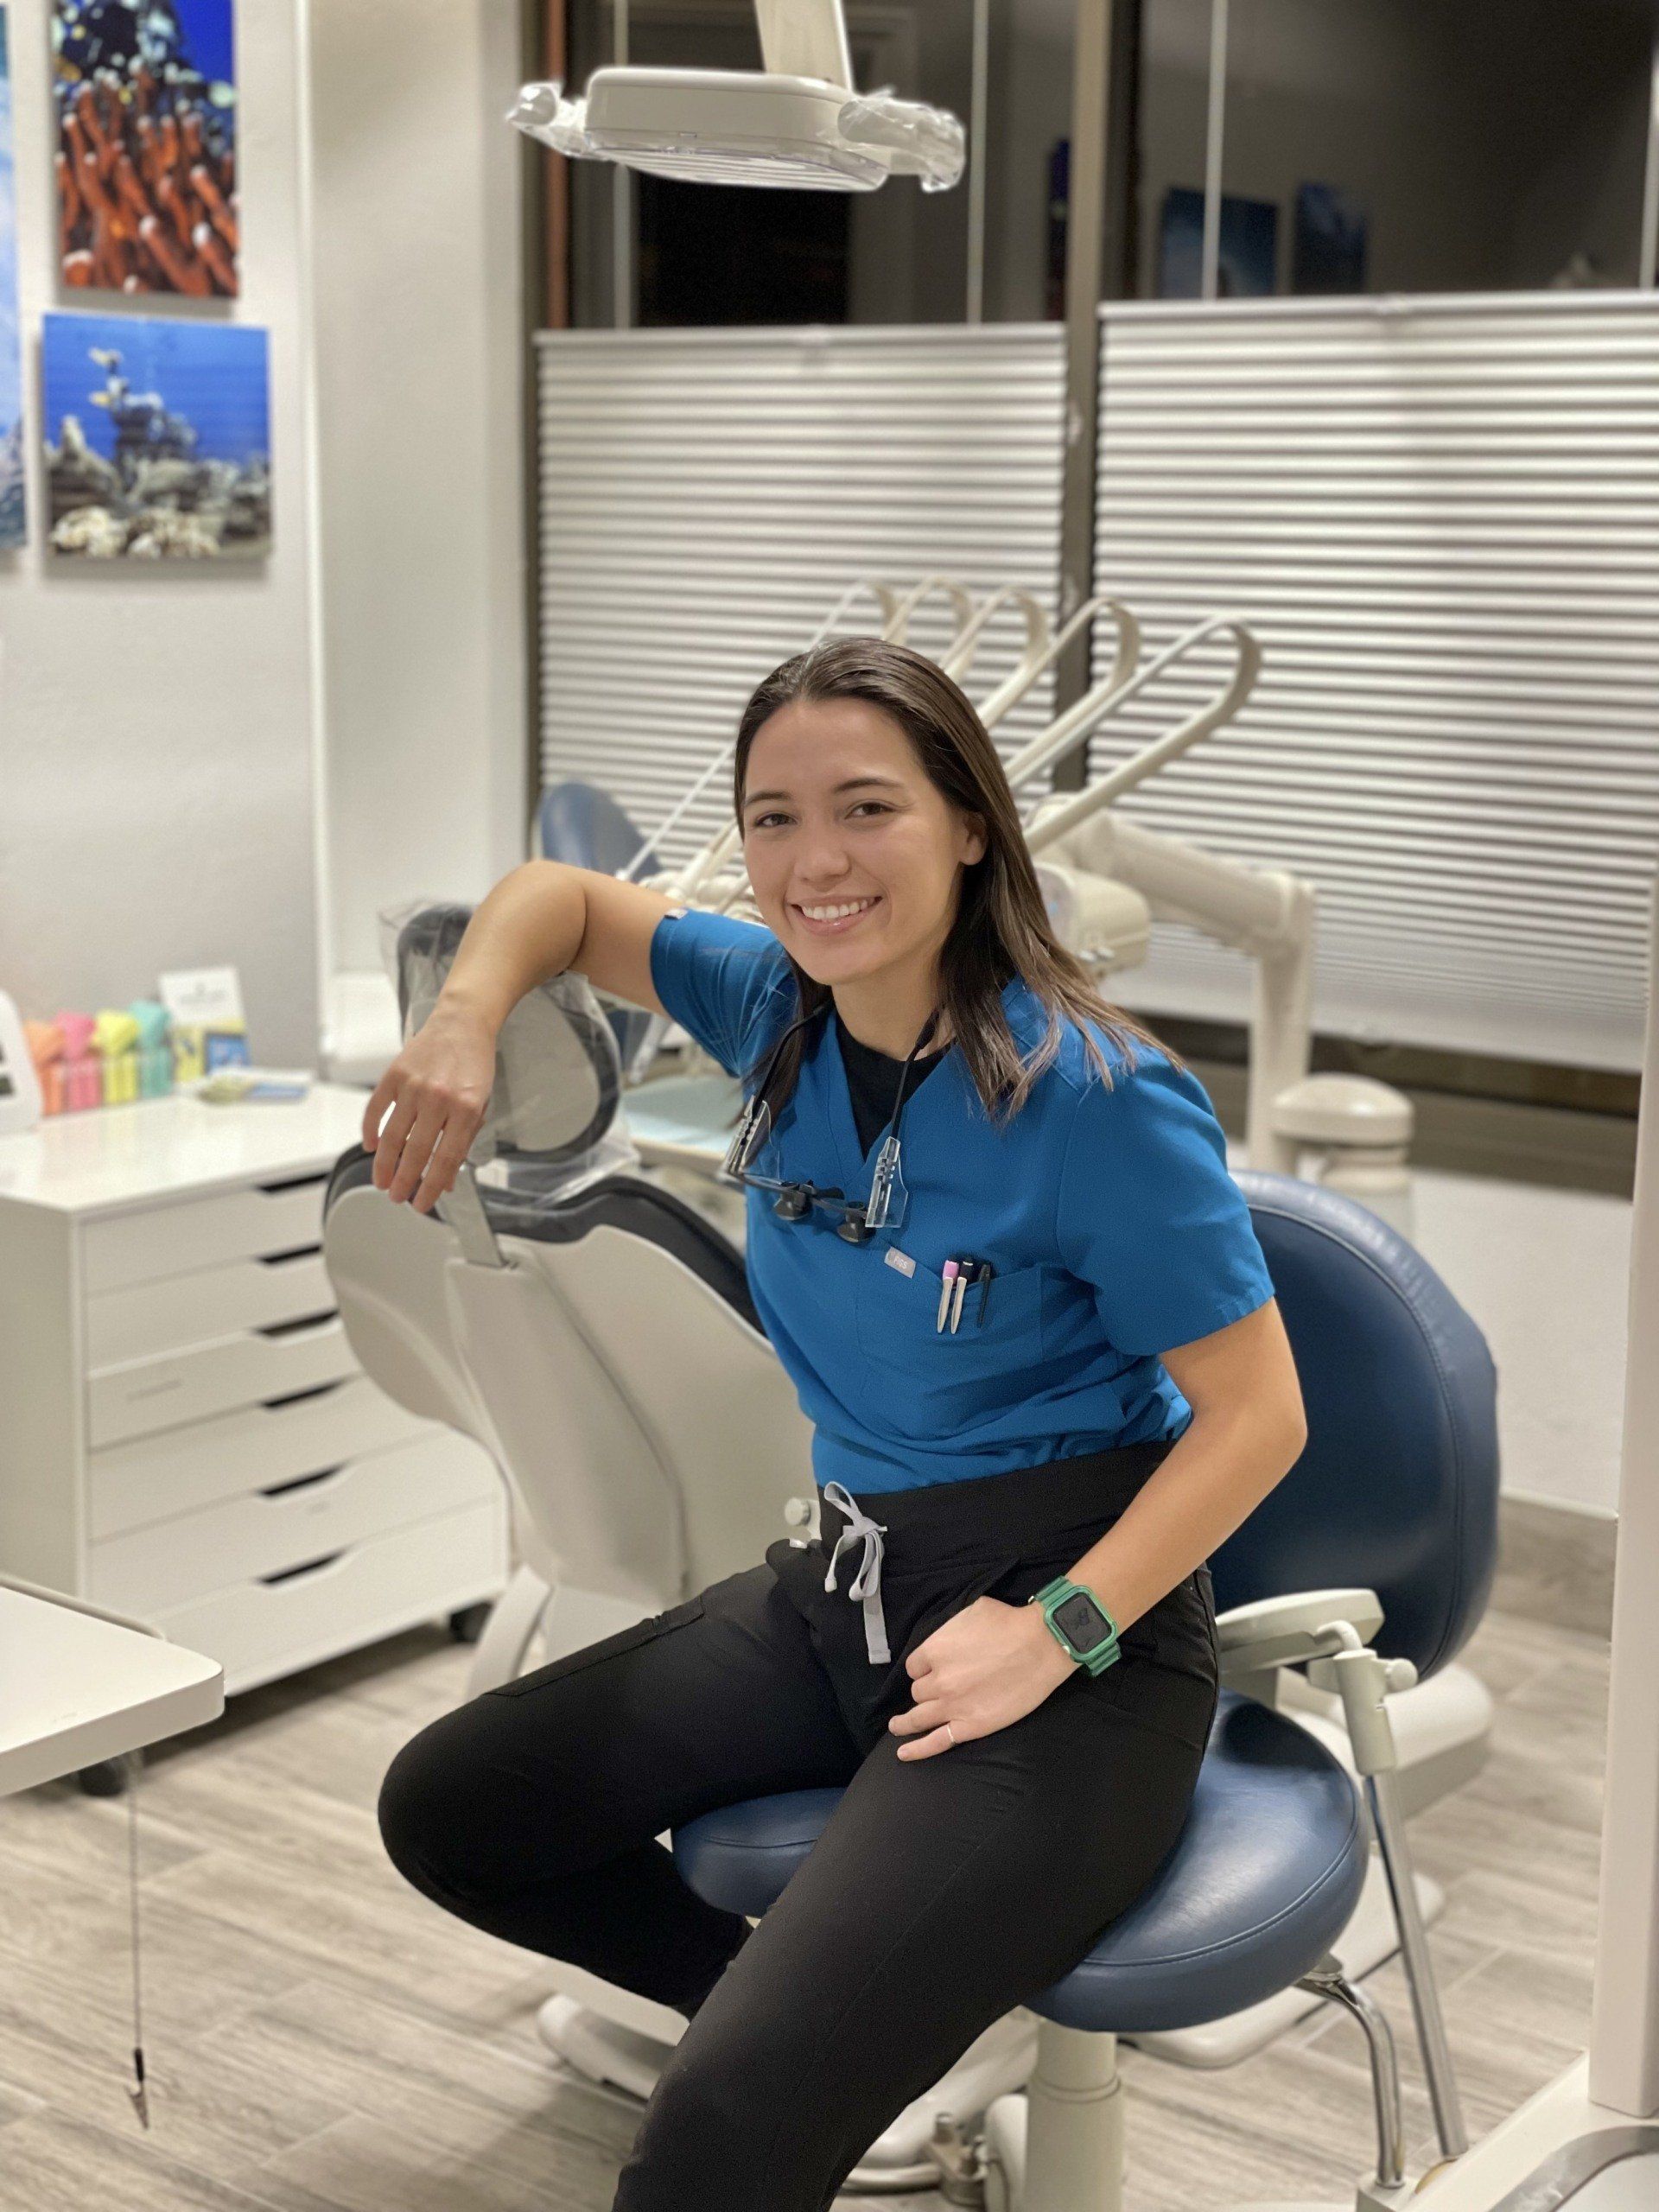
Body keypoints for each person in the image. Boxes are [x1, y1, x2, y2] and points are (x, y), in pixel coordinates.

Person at [366, 637, 1306, 2212]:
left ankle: (789, 2062)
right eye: (774, 817)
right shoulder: (773, 1006)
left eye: (865, 807)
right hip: (846, 1588)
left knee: (712, 2146)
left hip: (1067, 1651)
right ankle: (810, 2027)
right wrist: (466, 1017)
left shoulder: (1097, 1099)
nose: (815, 862)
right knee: (456, 1812)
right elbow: (555, 896)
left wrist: (1057, 1628)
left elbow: (1259, 1420)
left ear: (969, 825)